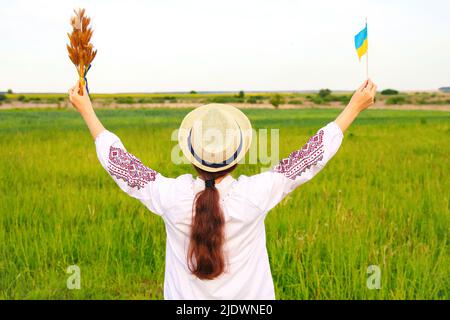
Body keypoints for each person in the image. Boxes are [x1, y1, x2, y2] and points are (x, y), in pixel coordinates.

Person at [68, 79, 377, 299]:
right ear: (238, 157)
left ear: (192, 158)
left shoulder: (170, 196)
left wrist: (86, 110)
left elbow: (118, 162)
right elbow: (309, 157)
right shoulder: (256, 194)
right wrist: (354, 107)